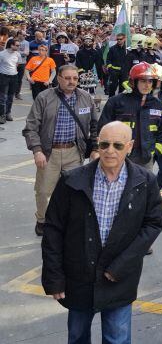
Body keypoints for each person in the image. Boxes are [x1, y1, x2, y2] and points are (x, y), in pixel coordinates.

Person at [41, 121, 162, 344]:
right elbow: (53, 229)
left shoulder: (145, 182)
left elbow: (152, 224)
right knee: (77, 336)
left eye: (118, 145)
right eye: (104, 144)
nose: (110, 151)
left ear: (130, 146)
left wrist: (122, 266)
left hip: (119, 278)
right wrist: (54, 277)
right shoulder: (71, 180)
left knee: (116, 338)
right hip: (78, 276)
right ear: (98, 144)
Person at [23, 65, 98, 236]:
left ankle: (68, 221)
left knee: (74, 189)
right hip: (50, 153)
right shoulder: (44, 97)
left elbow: (95, 126)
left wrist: (95, 148)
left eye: (75, 78)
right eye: (67, 78)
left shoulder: (86, 97)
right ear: (59, 78)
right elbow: (31, 127)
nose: (72, 81)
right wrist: (37, 150)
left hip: (74, 152)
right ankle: (42, 220)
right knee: (43, 190)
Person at [99, 62, 162, 176]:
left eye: (150, 81)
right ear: (133, 82)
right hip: (119, 157)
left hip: (146, 160)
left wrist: (154, 152)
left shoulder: (157, 104)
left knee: (142, 190)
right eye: (143, 81)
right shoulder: (117, 102)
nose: (147, 85)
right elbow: (103, 128)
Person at [0, 39, 21, 122]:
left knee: (10, 96)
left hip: (14, 77)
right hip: (4, 77)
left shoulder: (17, 54)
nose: (18, 47)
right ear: (11, 45)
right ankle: (2, 115)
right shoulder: (2, 54)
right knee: (3, 97)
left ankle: (8, 113)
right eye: (17, 45)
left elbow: (17, 64)